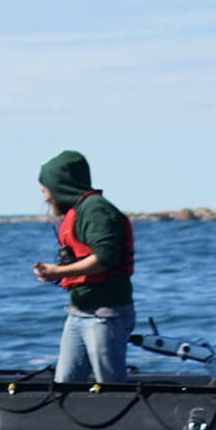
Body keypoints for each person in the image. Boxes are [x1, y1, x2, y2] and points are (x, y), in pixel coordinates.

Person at [33, 150, 134, 384]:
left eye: (45, 191)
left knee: (110, 382)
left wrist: (58, 272)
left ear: (61, 185)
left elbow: (105, 257)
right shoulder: (78, 211)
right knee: (65, 383)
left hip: (105, 314)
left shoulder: (96, 210)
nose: (46, 198)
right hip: (79, 312)